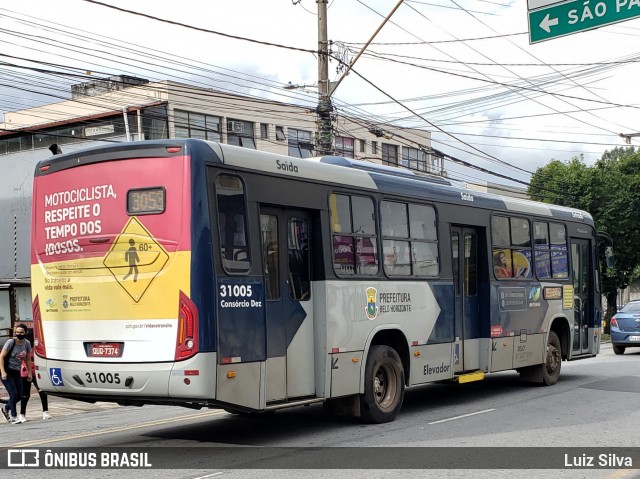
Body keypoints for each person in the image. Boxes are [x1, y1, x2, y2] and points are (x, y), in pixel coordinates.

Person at [0, 324, 32, 424]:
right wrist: (3, 372)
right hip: (7, 370)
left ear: (25, 333)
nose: (19, 334)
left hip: (16, 371)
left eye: (21, 332)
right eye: (17, 332)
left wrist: (29, 372)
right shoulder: (11, 342)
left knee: (20, 395)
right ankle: (14, 416)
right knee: (13, 394)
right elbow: (1, 356)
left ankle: (6, 408)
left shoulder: (26, 343)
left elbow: (27, 359)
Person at [19, 330, 51, 422]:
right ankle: (22, 414)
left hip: (37, 372)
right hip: (26, 373)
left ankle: (45, 411)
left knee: (42, 392)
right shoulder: (24, 347)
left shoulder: (37, 347)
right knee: (26, 395)